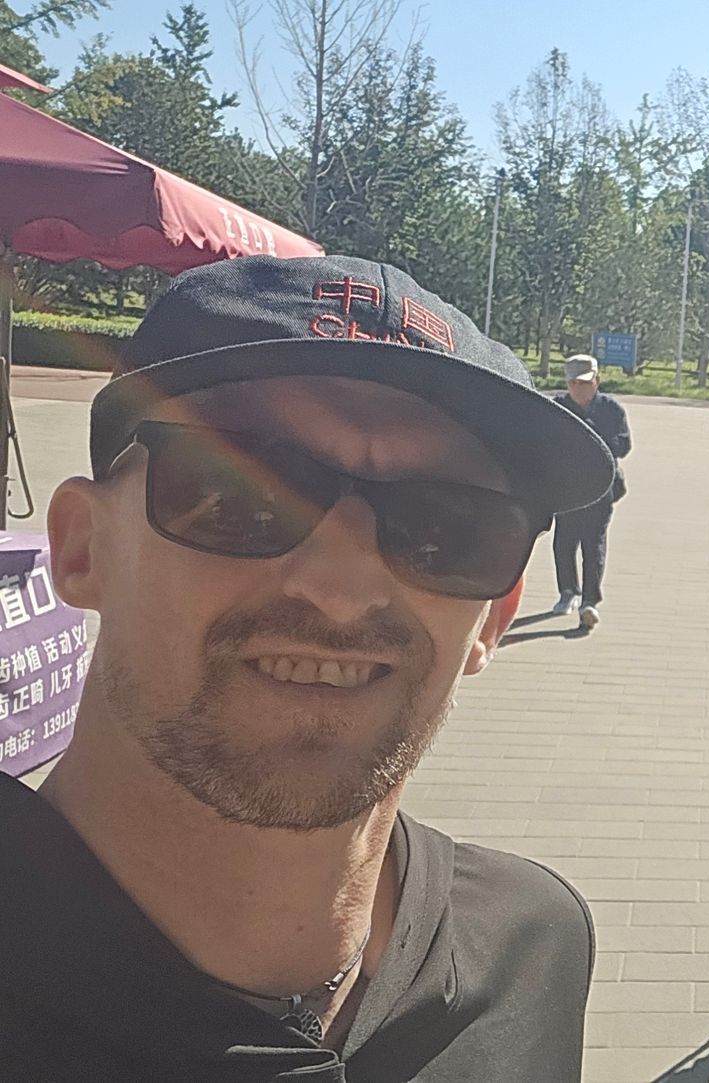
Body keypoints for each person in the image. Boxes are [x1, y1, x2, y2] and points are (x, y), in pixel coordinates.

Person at [0, 255, 614, 1081]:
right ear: (83, 548)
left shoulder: (534, 951)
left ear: (493, 619)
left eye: (444, 527)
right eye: (241, 494)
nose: (341, 590)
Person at [551, 353, 631, 631]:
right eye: (573, 383)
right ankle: (567, 592)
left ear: (597, 381)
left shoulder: (611, 410)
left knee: (593, 545)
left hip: (600, 489)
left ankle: (589, 602)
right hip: (566, 491)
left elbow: (624, 445)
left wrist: (595, 438)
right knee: (563, 543)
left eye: (584, 383)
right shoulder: (557, 408)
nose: (579, 388)